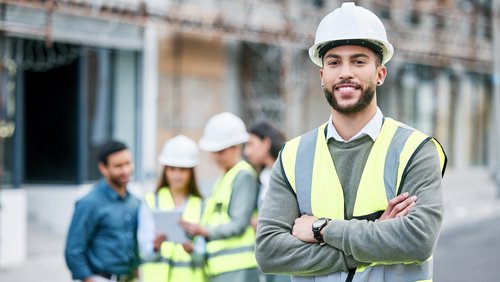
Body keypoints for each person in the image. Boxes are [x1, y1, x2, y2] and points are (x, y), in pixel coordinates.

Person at [255, 2, 447, 282]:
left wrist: (322, 229)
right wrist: (374, 240)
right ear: (323, 77)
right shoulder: (293, 155)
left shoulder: (415, 150)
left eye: (358, 61)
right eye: (334, 62)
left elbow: (418, 240)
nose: (345, 72)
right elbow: (270, 252)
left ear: (380, 74)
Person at [180, 112, 260, 282]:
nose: (216, 156)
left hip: (239, 267)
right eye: (213, 151)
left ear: (237, 147)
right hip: (220, 269)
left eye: (221, 151)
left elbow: (239, 224)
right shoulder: (223, 179)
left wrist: (205, 231)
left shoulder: (243, 175)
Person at [65, 140, 141, 282]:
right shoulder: (89, 203)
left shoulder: (135, 202)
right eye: (118, 166)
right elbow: (73, 251)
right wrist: (88, 279)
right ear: (103, 168)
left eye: (128, 163)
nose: (125, 171)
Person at [138, 134, 206, 282]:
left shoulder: (202, 204)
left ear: (191, 172)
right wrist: (155, 246)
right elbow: (144, 250)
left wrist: (192, 250)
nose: (177, 175)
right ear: (165, 170)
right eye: (172, 169)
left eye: (182, 170)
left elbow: (204, 254)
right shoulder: (151, 201)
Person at [244, 122, 289, 282]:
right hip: (268, 252)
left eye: (251, 144)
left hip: (286, 251)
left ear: (266, 143)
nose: (247, 151)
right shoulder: (261, 177)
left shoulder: (288, 171)